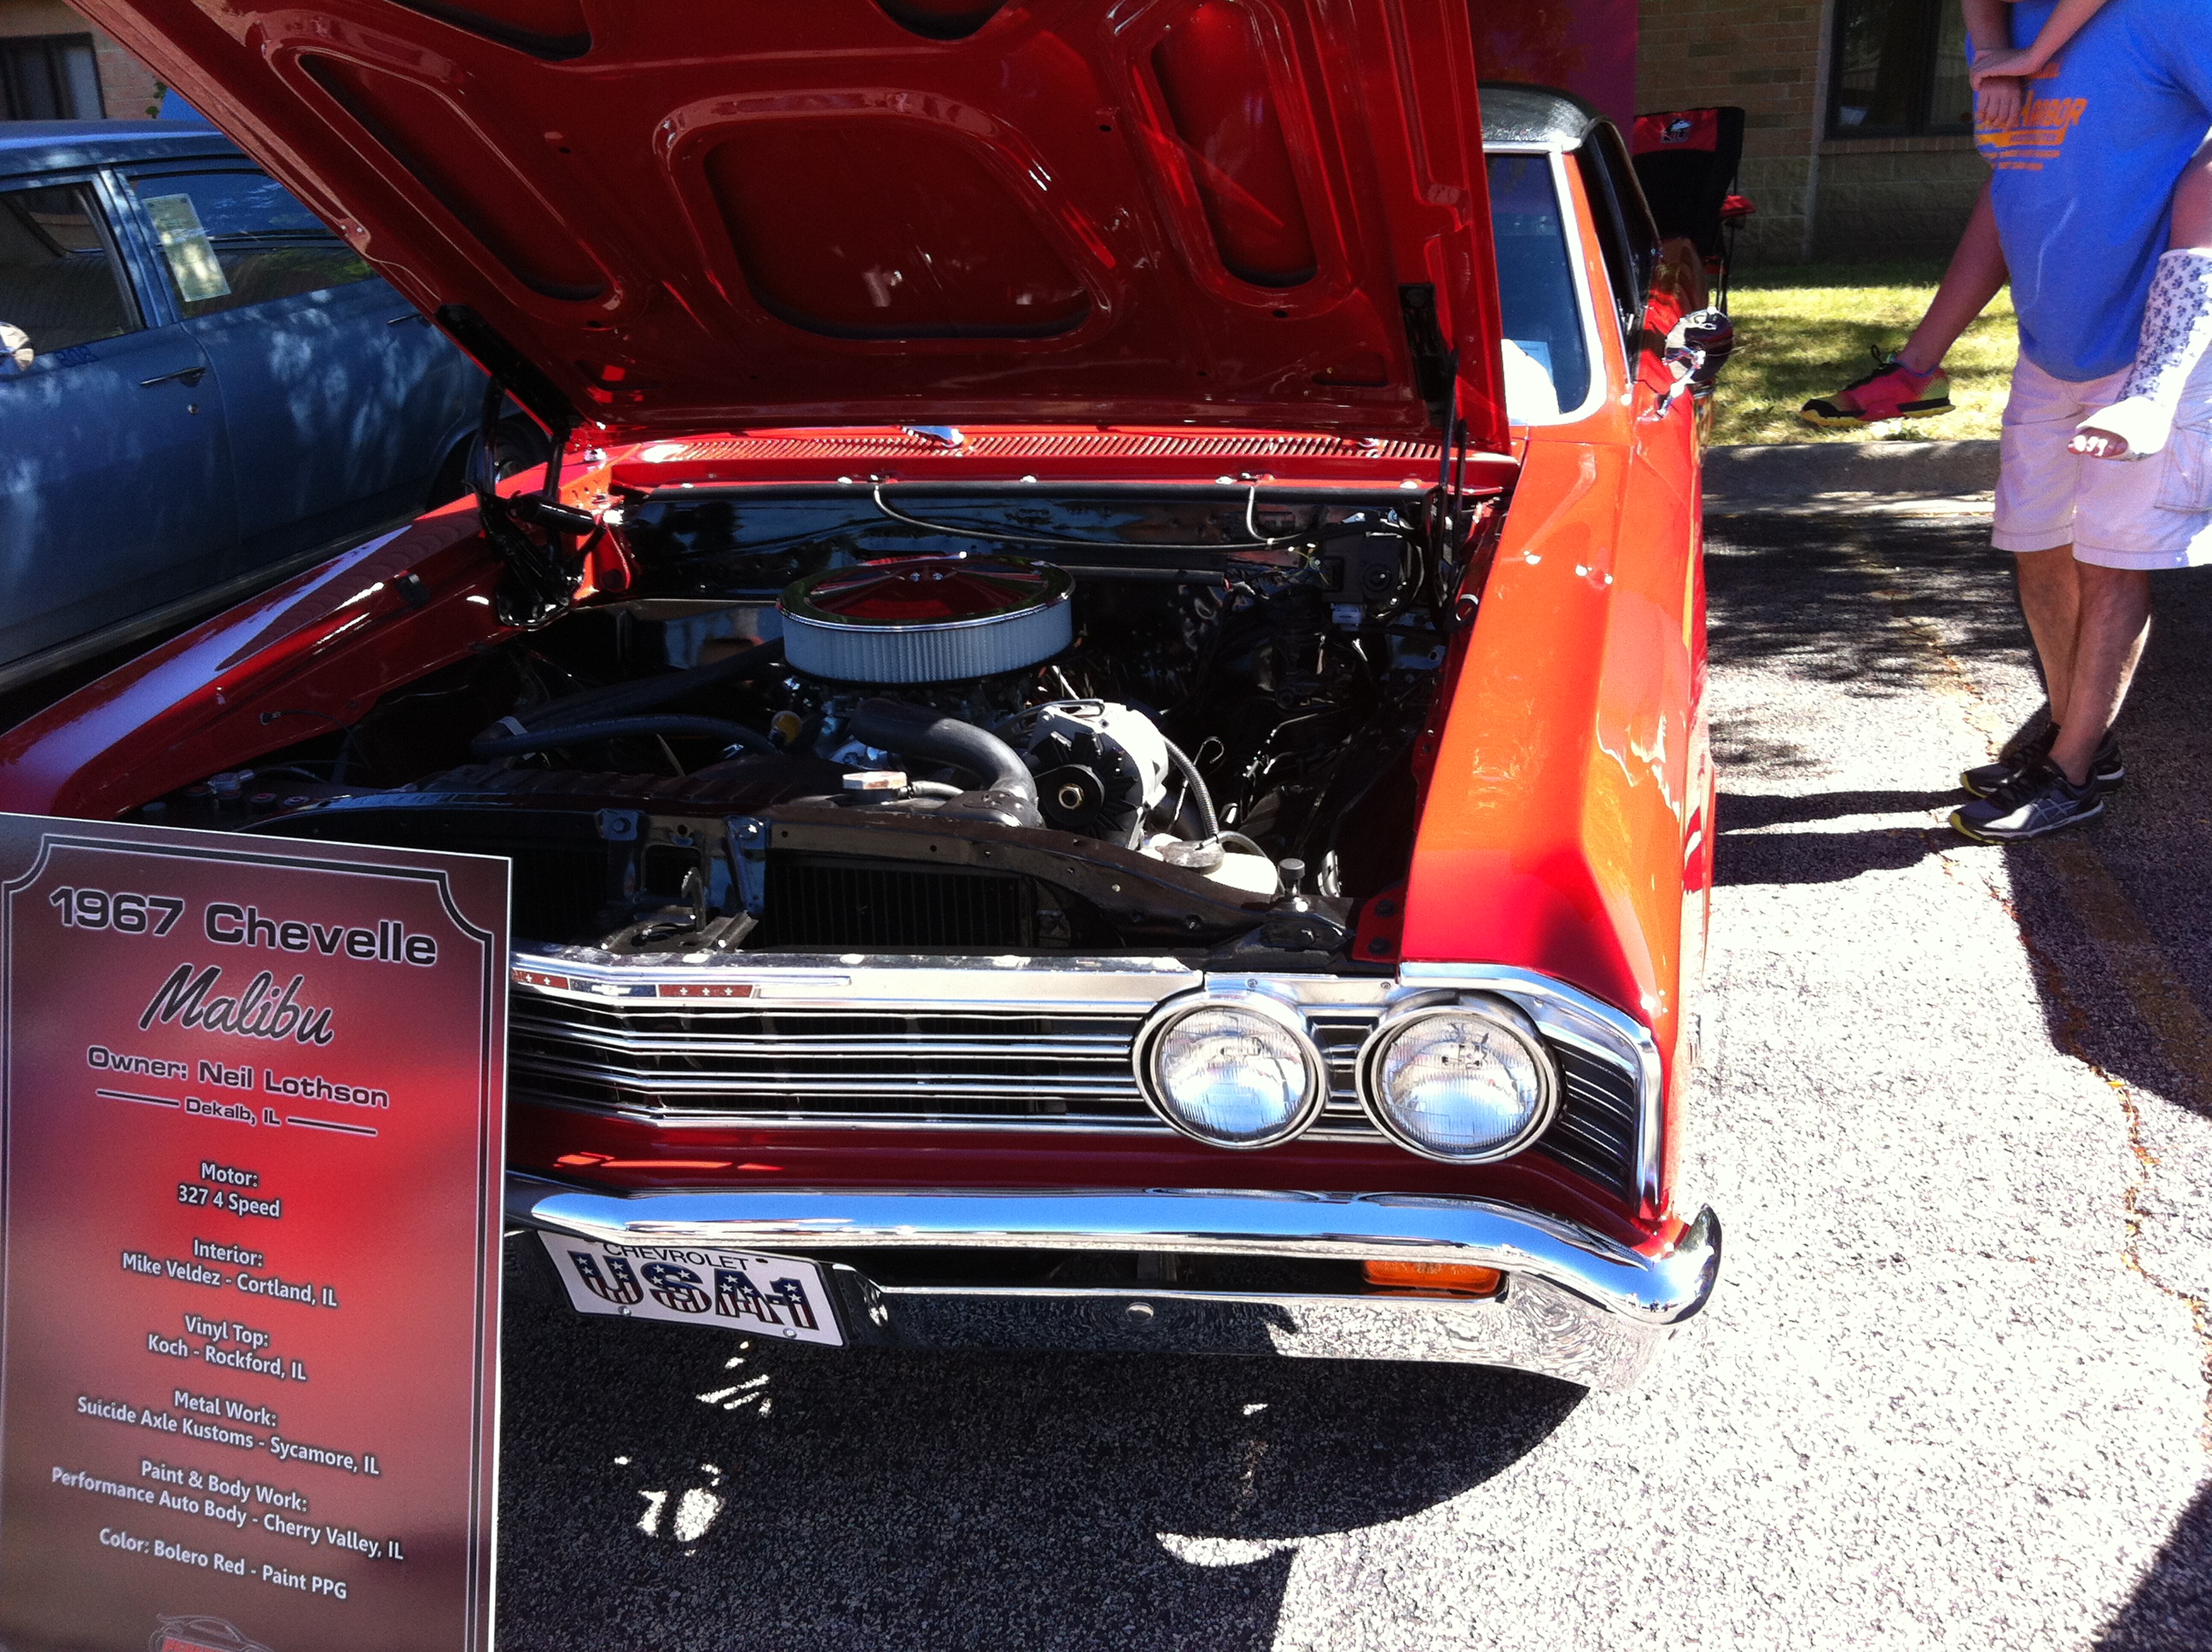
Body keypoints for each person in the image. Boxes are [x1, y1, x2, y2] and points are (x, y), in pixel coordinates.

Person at [1947, 0, 2212, 841]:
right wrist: (1998, 50)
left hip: (2151, 348)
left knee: (2111, 561)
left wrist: (2159, 387)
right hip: (2050, 350)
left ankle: (2069, 774)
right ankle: (2081, 738)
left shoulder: (2173, 12)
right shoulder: (2007, 25)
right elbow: (2008, 192)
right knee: (2038, 548)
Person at [1800, 0, 2110, 428]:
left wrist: (2031, 57)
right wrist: (1997, 60)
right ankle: (1915, 370)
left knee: (2054, 179)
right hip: (2024, 34)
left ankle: (1917, 369)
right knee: (2015, 177)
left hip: (2108, 37)